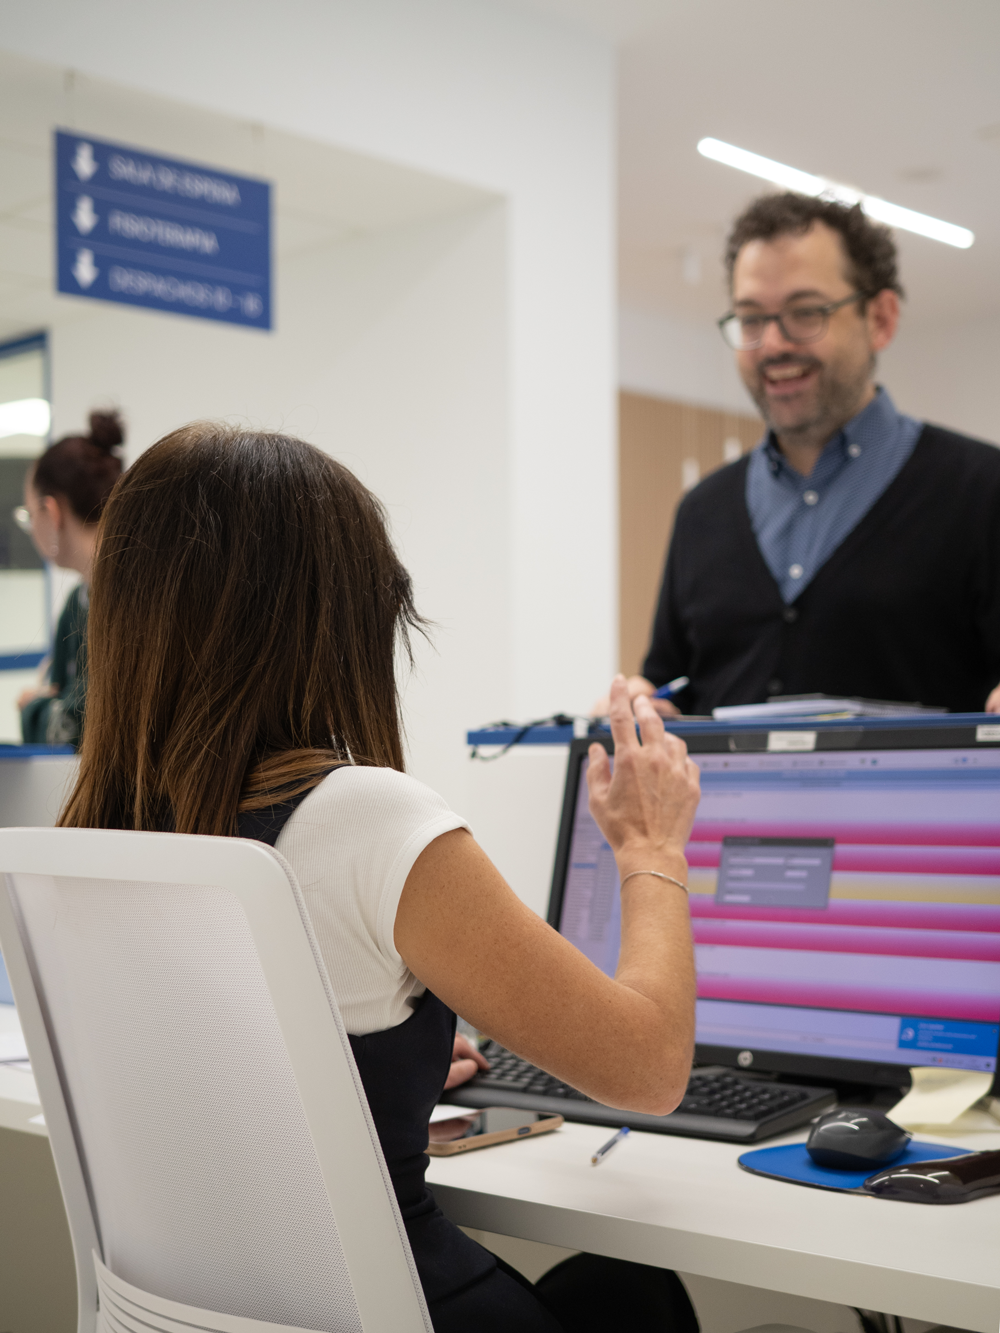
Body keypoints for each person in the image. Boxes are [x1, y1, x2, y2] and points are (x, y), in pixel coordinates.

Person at [60, 423, 703, 1333]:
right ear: (340, 622)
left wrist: (375, 1071)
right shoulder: (366, 817)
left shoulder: (90, 840)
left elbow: (210, 1085)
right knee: (642, 1294)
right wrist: (651, 846)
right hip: (399, 1309)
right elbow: (649, 1067)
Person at [620, 192, 1000, 718]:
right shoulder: (701, 512)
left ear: (880, 319)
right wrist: (646, 707)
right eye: (751, 319)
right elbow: (672, 684)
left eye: (805, 313)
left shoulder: (981, 490)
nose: (773, 344)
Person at [17, 410, 124, 746]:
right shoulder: (80, 600)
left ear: (51, 513)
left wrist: (33, 708)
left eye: (29, 515)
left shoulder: (125, 596)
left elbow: (84, 724)